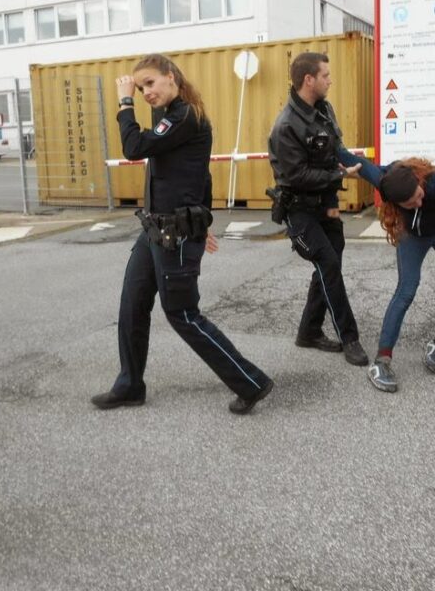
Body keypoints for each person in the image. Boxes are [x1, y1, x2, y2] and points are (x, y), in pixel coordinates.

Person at [91, 53, 274, 414]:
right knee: (132, 305)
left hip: (175, 233)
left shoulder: (185, 115)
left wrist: (125, 103)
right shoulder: (170, 115)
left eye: (150, 83)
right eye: (140, 87)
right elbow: (197, 175)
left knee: (183, 314)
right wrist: (202, 222)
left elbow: (134, 148)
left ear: (171, 76)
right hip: (155, 229)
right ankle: (130, 385)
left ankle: (250, 382)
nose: (145, 92)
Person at [268, 52, 369, 366]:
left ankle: (309, 332)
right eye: (325, 75)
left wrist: (335, 204)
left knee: (330, 265)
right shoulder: (285, 126)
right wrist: (339, 175)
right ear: (308, 80)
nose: (330, 80)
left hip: (325, 205)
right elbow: (296, 175)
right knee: (327, 263)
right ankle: (349, 337)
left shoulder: (324, 110)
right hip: (298, 212)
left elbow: (333, 151)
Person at [337, 148, 435, 392]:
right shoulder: (384, 180)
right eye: (412, 203)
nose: (419, 202)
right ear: (396, 201)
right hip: (413, 237)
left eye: (420, 195)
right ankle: (382, 361)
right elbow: (353, 160)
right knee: (406, 291)